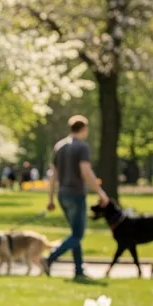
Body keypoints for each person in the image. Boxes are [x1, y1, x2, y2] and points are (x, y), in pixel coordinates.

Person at [43, 115, 109, 282]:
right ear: (84, 128)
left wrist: (50, 199)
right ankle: (50, 258)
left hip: (62, 195)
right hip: (76, 194)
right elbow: (86, 172)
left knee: (74, 233)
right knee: (78, 235)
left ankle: (78, 270)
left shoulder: (60, 146)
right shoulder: (81, 147)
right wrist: (101, 193)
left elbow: (53, 175)